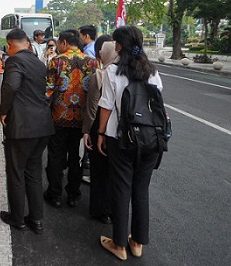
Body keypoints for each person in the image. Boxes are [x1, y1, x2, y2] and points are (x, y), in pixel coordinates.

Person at [96, 25, 163, 261]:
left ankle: (119, 244)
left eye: (116, 42)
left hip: (121, 138)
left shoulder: (113, 71)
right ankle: (137, 243)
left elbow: (105, 105)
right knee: (141, 190)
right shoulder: (152, 71)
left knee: (122, 189)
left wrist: (101, 134)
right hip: (151, 140)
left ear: (120, 46)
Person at [0, 28, 54, 235]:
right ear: (29, 43)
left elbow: (11, 86)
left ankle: (17, 218)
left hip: (22, 127)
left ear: (10, 45)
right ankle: (36, 219)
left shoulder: (14, 61)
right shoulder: (39, 63)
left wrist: (3, 111)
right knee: (34, 173)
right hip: (43, 126)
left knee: (16, 173)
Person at [44, 29, 97, 209]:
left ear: (64, 42)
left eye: (59, 42)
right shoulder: (92, 62)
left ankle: (55, 194)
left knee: (55, 157)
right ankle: (74, 195)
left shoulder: (57, 60)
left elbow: (48, 89)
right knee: (76, 157)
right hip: (81, 119)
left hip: (59, 116)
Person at [83, 35, 116, 225]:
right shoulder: (127, 73)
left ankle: (99, 209)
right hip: (119, 129)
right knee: (114, 172)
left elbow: (92, 107)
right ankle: (112, 209)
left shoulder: (101, 75)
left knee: (99, 170)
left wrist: (87, 131)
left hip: (101, 127)